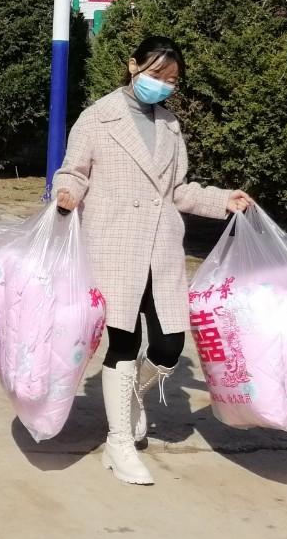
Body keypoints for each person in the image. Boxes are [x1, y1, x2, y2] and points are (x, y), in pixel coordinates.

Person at [52, 35, 253, 487]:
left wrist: (224, 200)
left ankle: (132, 399)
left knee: (168, 347)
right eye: (157, 75)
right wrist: (67, 194)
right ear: (133, 66)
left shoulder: (170, 125)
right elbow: (74, 170)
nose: (163, 86)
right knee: (123, 343)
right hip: (114, 245)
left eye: (172, 80)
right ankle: (118, 443)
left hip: (161, 249)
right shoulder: (97, 117)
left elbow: (178, 190)